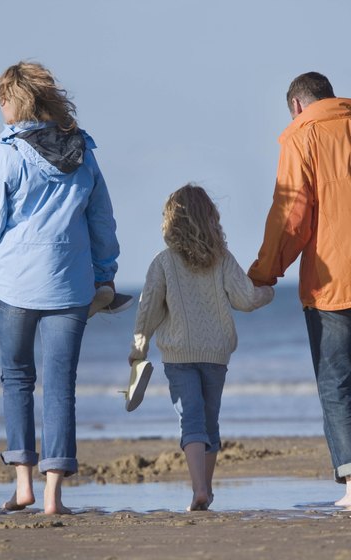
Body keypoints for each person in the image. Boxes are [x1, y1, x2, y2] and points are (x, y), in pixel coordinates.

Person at [0, 61, 120, 514]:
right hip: (70, 284)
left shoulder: (6, 155)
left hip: (14, 284)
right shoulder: (83, 152)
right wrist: (105, 272)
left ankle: (23, 484)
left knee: (17, 378)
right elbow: (101, 220)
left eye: (2, 97)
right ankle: (53, 494)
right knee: (59, 385)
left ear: (20, 99)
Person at [129, 184, 273, 511]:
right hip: (216, 354)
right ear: (211, 219)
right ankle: (205, 489)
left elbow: (148, 309)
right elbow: (247, 298)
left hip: (179, 356)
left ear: (171, 222)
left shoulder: (163, 262)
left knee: (190, 420)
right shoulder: (221, 259)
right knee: (210, 420)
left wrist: (139, 347)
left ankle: (199, 490)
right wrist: (269, 294)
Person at [248, 71, 351, 507]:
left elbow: (291, 215)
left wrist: (264, 271)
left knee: (337, 384)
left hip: (332, 285)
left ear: (296, 105)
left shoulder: (301, 136)